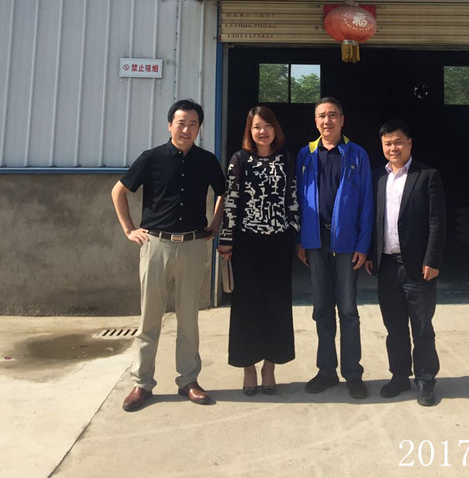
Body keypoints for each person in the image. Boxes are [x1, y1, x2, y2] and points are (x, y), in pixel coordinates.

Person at [111, 99, 226, 412]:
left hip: (192, 245)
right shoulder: (151, 158)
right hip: (156, 245)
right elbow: (118, 191)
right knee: (150, 318)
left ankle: (188, 380)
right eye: (181, 123)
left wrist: (215, 223)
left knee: (189, 318)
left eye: (193, 124)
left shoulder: (206, 160)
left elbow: (222, 191)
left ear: (199, 129)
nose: (186, 129)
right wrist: (129, 229)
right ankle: (141, 383)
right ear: (169, 125)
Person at [217, 106, 298, 395]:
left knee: (276, 304)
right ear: (249, 132)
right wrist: (226, 239)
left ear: (275, 129)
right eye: (256, 127)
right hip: (246, 243)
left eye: (267, 126)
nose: (262, 131)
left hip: (279, 243)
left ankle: (269, 366)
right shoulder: (239, 160)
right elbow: (231, 200)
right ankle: (248, 367)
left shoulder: (287, 159)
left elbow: (293, 199)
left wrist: (296, 234)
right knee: (246, 306)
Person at [296, 97, 373, 399]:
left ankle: (353, 374)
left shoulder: (356, 155)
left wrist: (363, 244)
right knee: (321, 309)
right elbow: (298, 200)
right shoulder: (306, 154)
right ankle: (326, 371)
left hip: (346, 243)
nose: (327, 121)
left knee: (348, 310)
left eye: (332, 115)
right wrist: (301, 239)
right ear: (315, 121)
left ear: (342, 120)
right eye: (321, 116)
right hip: (315, 241)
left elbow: (366, 202)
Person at [366, 119, 446, 406]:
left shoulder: (427, 175)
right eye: (388, 143)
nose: (393, 148)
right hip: (387, 265)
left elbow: (437, 221)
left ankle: (425, 380)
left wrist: (432, 259)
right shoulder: (377, 177)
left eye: (398, 142)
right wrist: (370, 254)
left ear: (410, 143)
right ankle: (399, 376)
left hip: (418, 267)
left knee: (422, 326)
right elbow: (372, 219)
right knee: (394, 327)